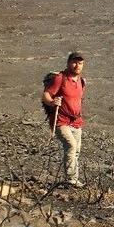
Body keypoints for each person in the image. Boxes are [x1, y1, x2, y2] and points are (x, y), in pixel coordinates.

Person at [42, 51, 86, 187]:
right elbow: (46, 95)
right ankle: (71, 179)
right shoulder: (60, 78)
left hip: (76, 121)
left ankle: (74, 179)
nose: (77, 65)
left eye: (80, 63)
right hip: (61, 120)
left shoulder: (81, 81)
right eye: (74, 62)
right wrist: (52, 102)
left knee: (76, 150)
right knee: (71, 146)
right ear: (68, 63)